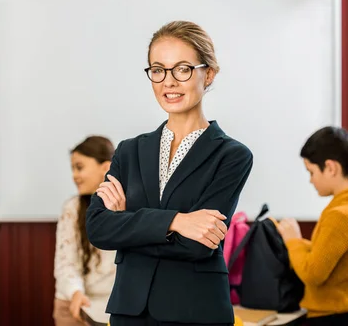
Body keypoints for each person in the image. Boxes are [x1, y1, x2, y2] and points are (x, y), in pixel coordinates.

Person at [86, 20, 253, 325]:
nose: (169, 82)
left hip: (196, 312)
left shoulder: (232, 156)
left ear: (209, 74)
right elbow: (98, 229)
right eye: (158, 70)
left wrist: (127, 222)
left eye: (183, 69)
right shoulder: (129, 151)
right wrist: (178, 220)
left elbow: (198, 243)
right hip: (129, 311)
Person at [277, 127, 348, 326]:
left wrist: (293, 240)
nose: (311, 180)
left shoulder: (339, 215)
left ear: (331, 168)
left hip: (333, 318)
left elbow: (313, 274)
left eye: (311, 171)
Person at [53, 136, 117, 326]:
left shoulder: (129, 207)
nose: (75, 175)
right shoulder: (72, 209)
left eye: (79, 167)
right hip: (74, 304)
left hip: (115, 308)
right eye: (73, 168)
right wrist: (75, 292)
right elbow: (66, 263)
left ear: (105, 168)